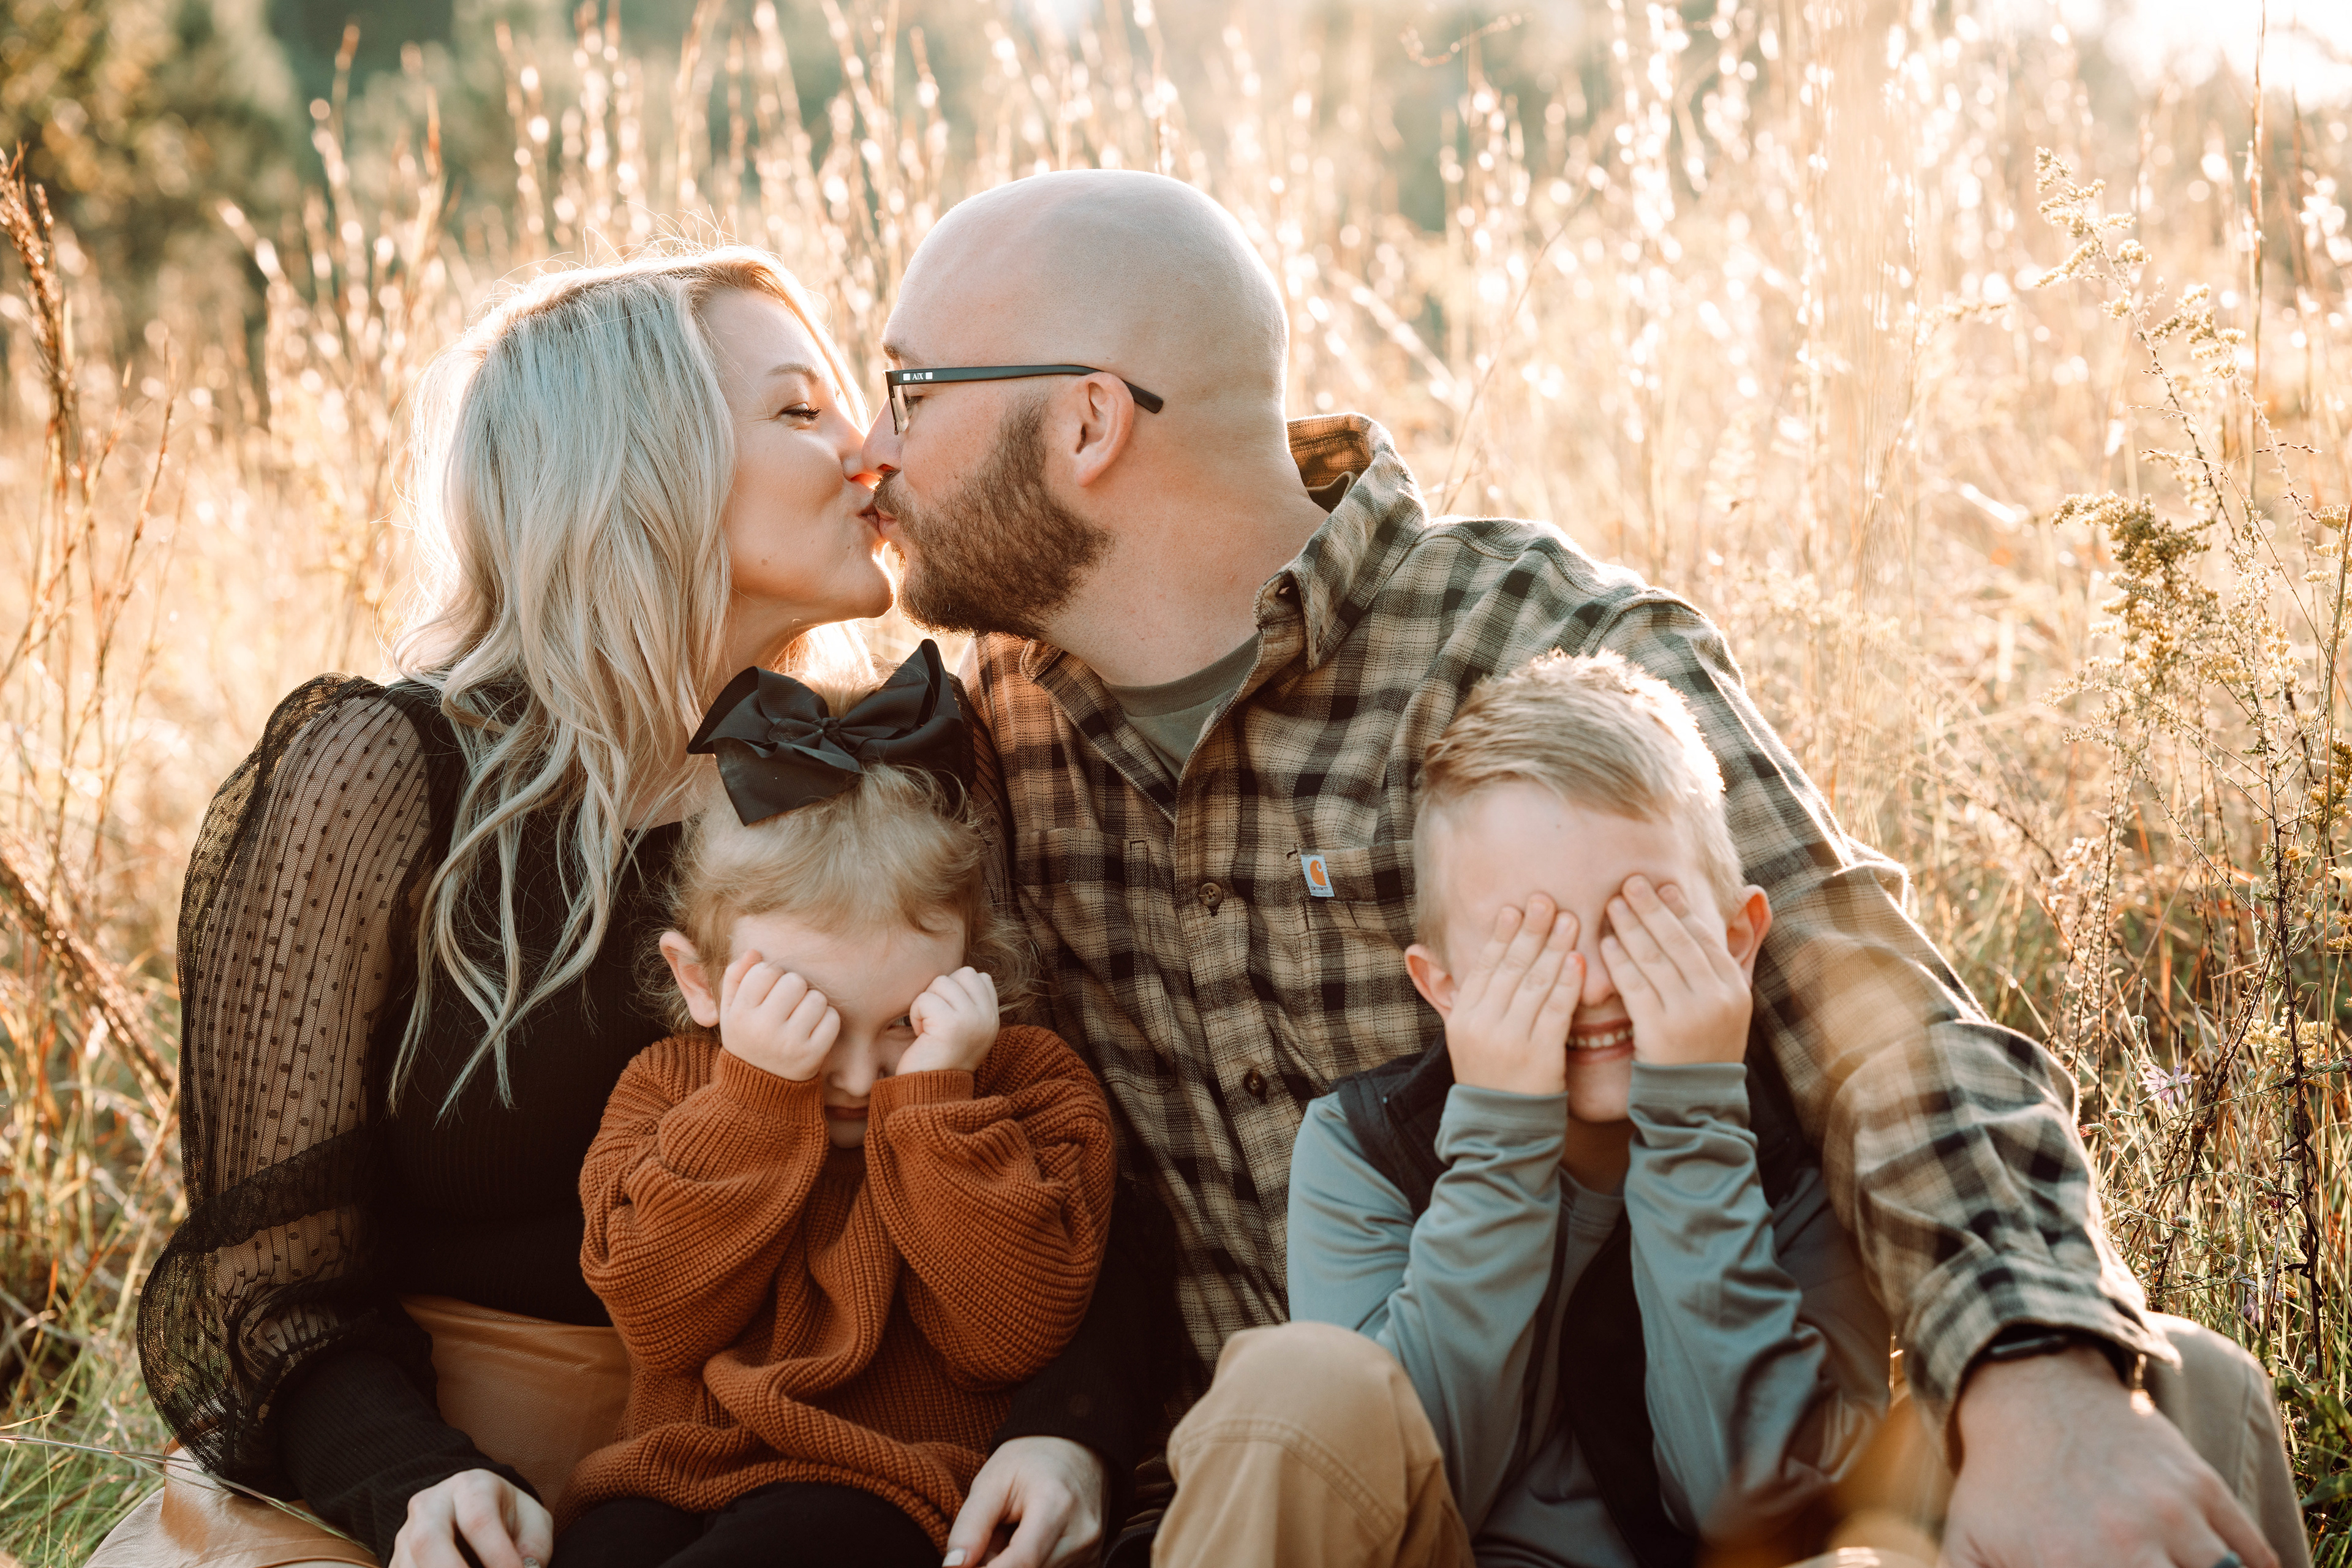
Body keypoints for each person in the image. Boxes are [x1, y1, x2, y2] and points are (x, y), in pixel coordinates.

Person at [853, 167, 2310, 1568]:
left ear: (1091, 422)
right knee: (1304, 1393)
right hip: (1331, 1496)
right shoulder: (1001, 724)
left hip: (1698, 1470)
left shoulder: (1550, 644)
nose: (872, 444)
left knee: (2184, 1388)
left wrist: (2039, 1374)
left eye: (910, 389)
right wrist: (1076, 1426)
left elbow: (1880, 1023)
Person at [113, 246, 893, 1568]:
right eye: (800, 409)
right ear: (641, 463)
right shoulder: (377, 775)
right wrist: (413, 1482)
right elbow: (272, 1284)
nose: (871, 451)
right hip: (412, 1482)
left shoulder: (884, 770)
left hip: (771, 1477)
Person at [1150, 649, 1891, 1567]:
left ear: (1738, 941)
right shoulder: (1361, 1153)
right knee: (1299, 1378)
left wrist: (1695, 1123)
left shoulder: (1806, 1163)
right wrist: (1500, 1141)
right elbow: (1396, 1484)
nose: (1594, 988)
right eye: (1528, 945)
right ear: (1443, 986)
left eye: (1638, 923)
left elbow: (1757, 1507)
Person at [552, 647, 1115, 1568]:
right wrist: (756, 1097)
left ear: (973, 966)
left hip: (894, 1491)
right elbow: (660, 1323)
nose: (857, 1074)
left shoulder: (1027, 1089)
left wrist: (936, 1100)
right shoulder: (667, 1090)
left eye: (903, 1020)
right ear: (700, 982)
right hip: (667, 1479)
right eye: (804, 1017)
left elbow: (1008, 1337)